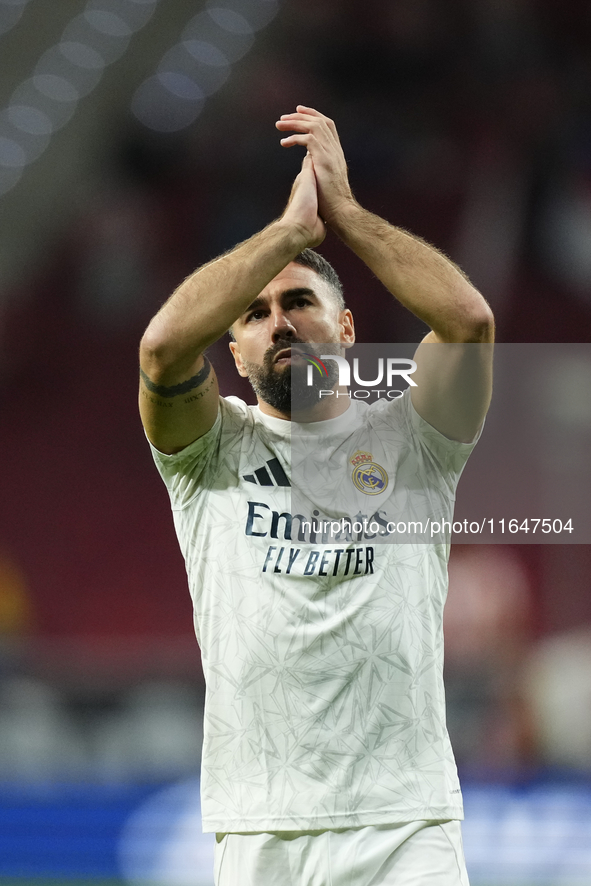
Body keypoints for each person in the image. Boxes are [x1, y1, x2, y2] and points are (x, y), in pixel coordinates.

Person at [138, 106, 494, 886]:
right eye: (256, 315)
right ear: (234, 353)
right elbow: (163, 349)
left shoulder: (416, 436)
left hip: (405, 825)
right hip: (260, 825)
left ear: (346, 328)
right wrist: (288, 237)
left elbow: (467, 321)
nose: (280, 323)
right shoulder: (209, 452)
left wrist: (345, 213)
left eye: (299, 302)